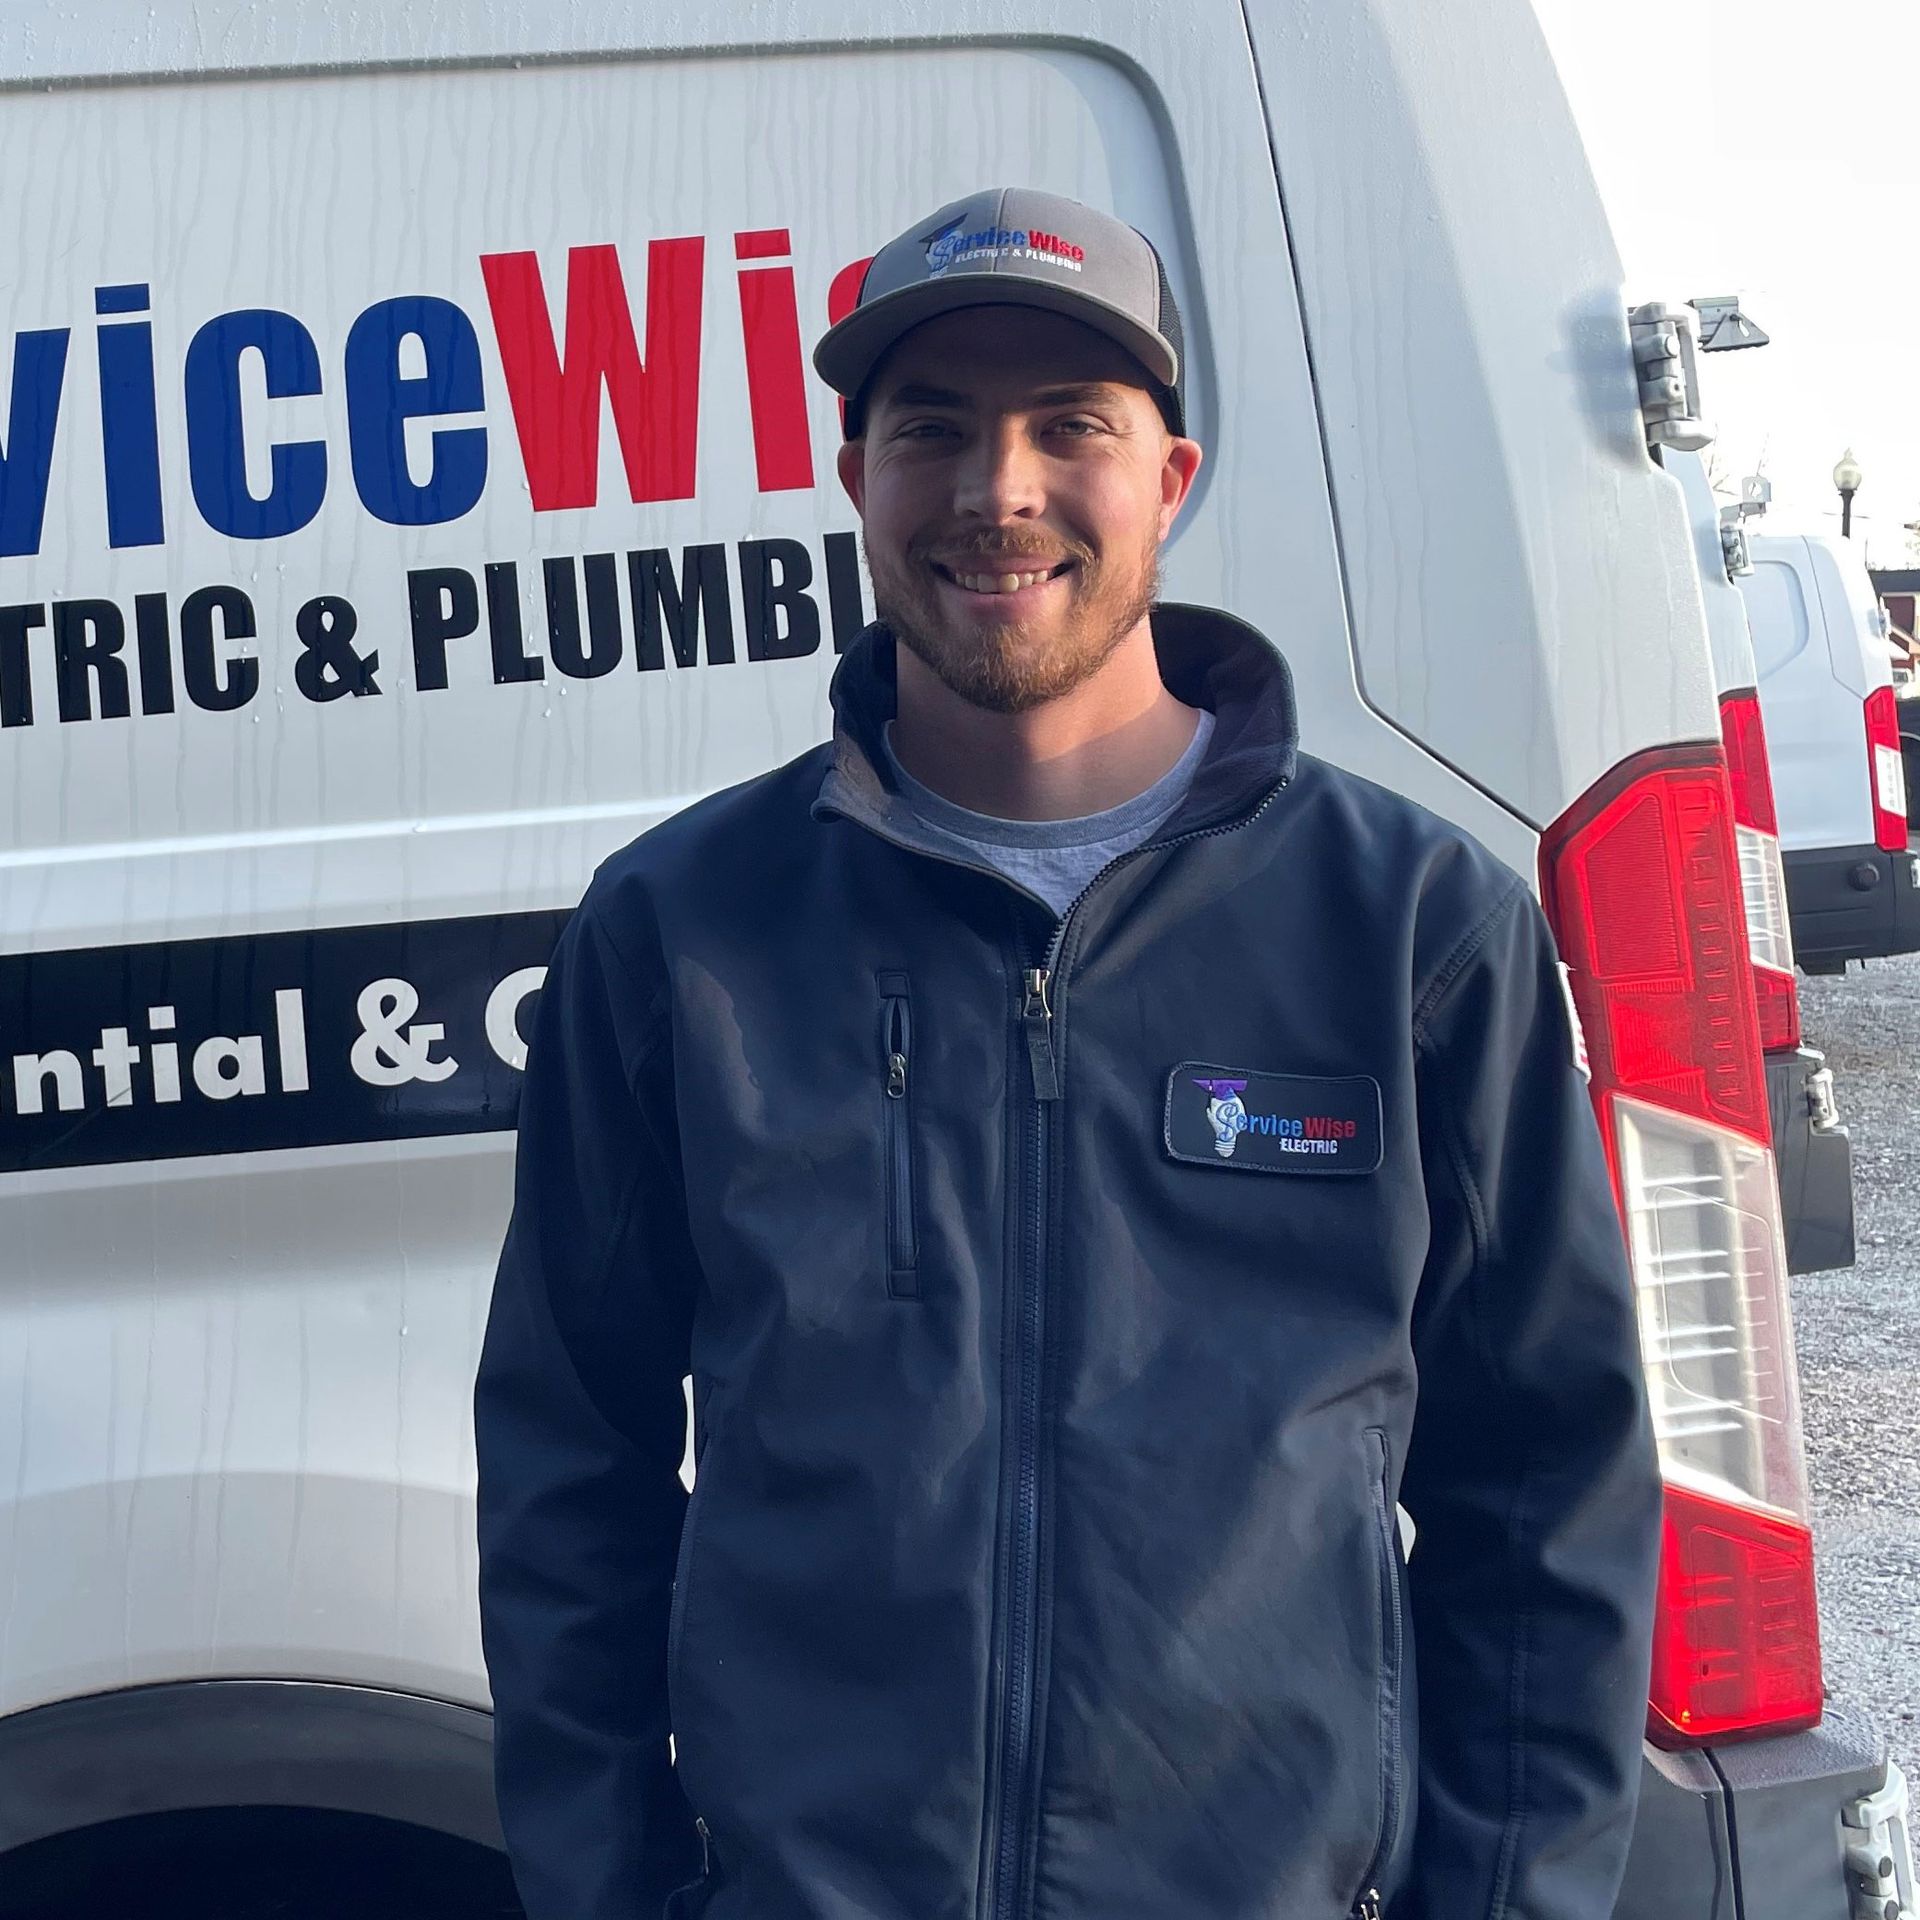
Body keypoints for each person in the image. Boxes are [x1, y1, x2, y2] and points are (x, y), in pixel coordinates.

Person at [473, 187, 1663, 1920]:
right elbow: (569, 1481)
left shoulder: (1412, 932)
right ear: (855, 475)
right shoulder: (677, 936)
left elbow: (1547, 1497)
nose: (996, 491)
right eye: (932, 429)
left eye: (1067, 428)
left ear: (1169, 479)